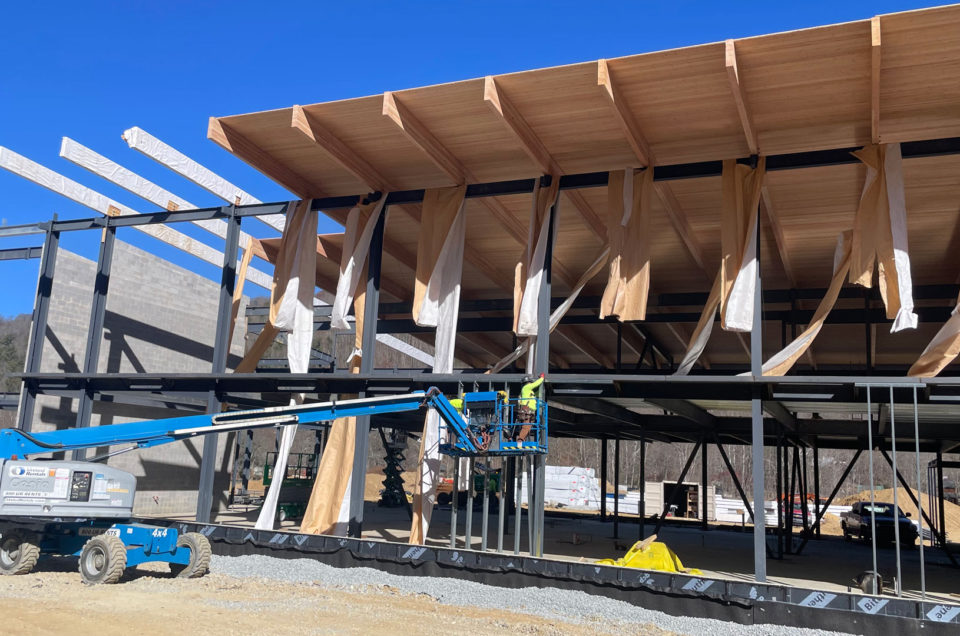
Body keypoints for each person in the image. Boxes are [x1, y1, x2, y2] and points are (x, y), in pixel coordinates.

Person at [515, 373, 544, 442]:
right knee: (526, 425)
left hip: (529, 410)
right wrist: (542, 378)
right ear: (528, 382)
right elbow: (535, 384)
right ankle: (520, 440)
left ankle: (521, 439)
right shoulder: (526, 387)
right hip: (527, 410)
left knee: (528, 426)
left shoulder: (527, 391)